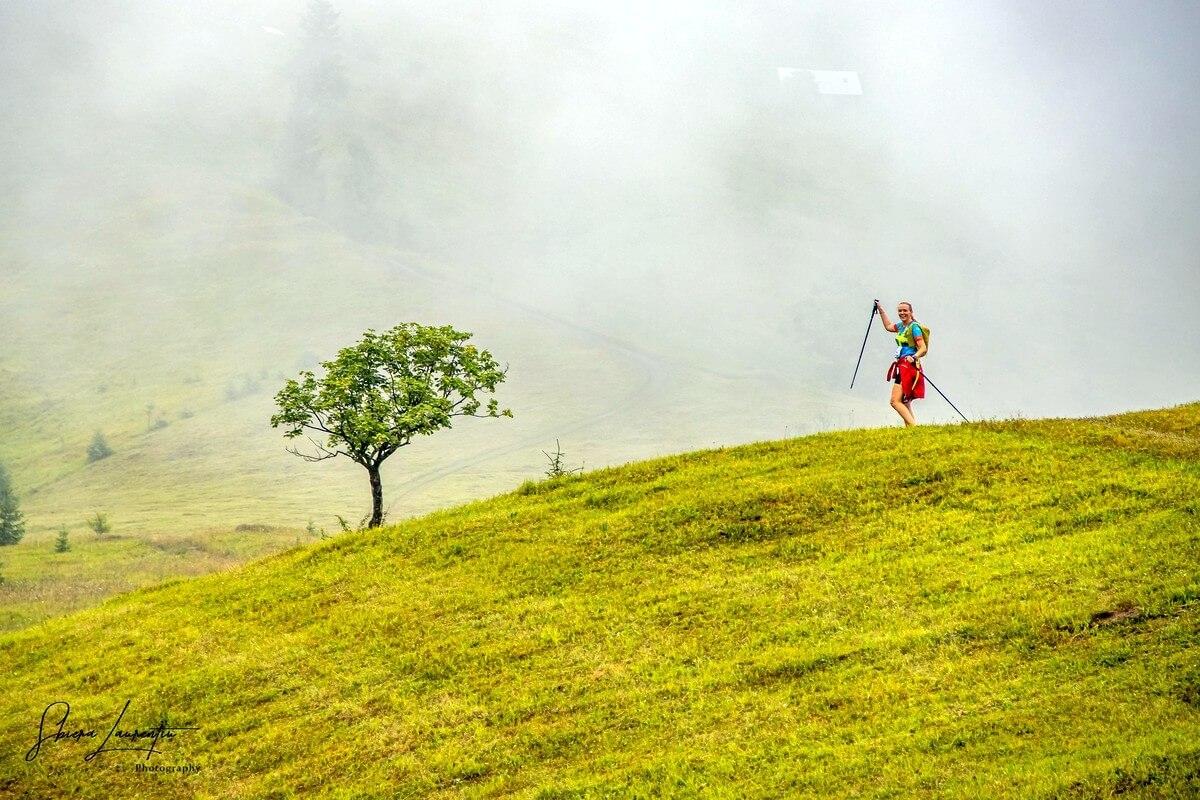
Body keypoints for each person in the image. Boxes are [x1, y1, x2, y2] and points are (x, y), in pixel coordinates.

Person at [875, 300, 926, 426]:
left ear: (911, 312)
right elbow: (888, 327)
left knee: (894, 401)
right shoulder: (901, 326)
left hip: (909, 366)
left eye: (905, 310)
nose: (902, 313)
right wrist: (880, 310)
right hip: (902, 365)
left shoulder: (914, 328)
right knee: (905, 401)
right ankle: (912, 430)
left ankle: (914, 427)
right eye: (900, 311)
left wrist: (914, 357)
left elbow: (923, 348)